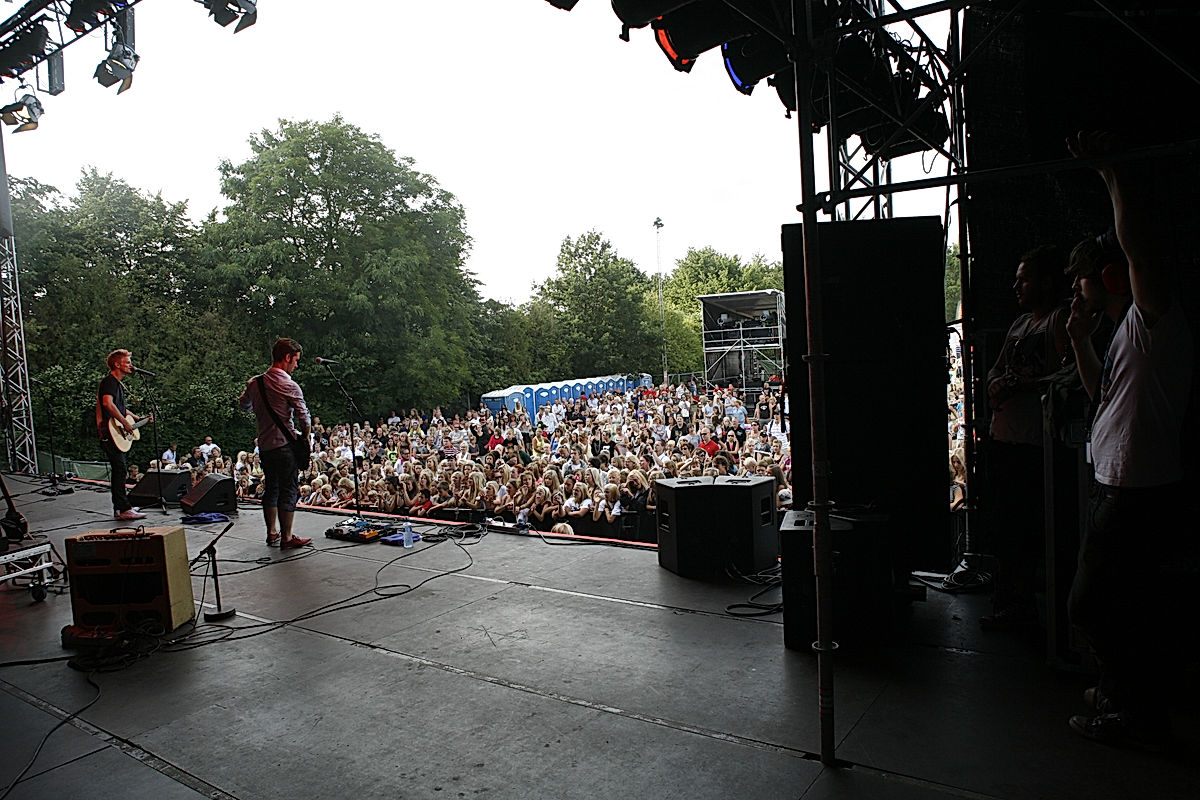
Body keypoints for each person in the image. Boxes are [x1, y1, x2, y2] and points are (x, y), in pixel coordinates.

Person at [1063, 131, 1192, 750]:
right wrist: (1081, 341)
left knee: (1094, 606)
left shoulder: (1151, 318)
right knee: (1118, 604)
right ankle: (1122, 693)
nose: (1076, 289)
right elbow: (1101, 397)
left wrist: (1112, 174)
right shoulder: (1121, 334)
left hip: (1138, 491)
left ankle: (1130, 711)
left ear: (1109, 275)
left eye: (1083, 278)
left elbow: (1140, 250)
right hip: (1115, 483)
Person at [981, 244, 1070, 629]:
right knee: (1004, 529)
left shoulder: (1060, 320)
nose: (1016, 287)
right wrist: (998, 384)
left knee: (1027, 530)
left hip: (1036, 445)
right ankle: (1008, 603)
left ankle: (1028, 608)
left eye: (1024, 279)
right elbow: (993, 372)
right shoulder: (1018, 326)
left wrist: (1020, 384)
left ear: (1046, 283)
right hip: (1004, 439)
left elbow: (1069, 377)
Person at [238, 338, 312, 549]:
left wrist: (251, 391)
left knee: (271, 488)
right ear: (287, 357)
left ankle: (272, 533)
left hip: (265, 446)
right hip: (285, 446)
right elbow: (304, 419)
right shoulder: (289, 385)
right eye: (296, 360)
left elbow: (244, 406)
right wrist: (304, 439)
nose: (296, 365)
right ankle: (287, 537)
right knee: (289, 489)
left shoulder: (255, 383)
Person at [96, 349, 151, 520]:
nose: (131, 366)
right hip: (109, 432)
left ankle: (122, 506)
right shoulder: (110, 381)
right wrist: (125, 422)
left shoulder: (117, 384)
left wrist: (136, 418)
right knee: (119, 469)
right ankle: (122, 508)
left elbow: (119, 407)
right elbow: (107, 403)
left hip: (114, 431)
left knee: (120, 469)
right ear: (117, 364)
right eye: (127, 363)